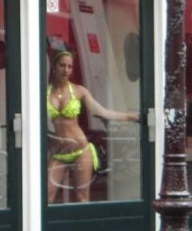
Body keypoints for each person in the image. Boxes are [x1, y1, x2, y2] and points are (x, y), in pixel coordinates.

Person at [47, 49, 139, 204]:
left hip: (80, 149)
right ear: (54, 67)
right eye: (62, 65)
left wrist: (130, 117)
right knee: (46, 197)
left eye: (69, 66)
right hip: (59, 152)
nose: (66, 70)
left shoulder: (79, 91)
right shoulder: (45, 93)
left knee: (82, 197)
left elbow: (102, 111)